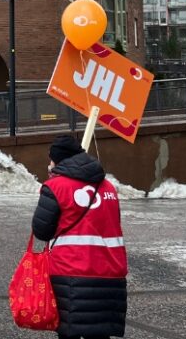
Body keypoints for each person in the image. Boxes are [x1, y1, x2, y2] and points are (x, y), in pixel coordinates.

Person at [32, 136, 128, 339]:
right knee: (100, 332)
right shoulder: (109, 188)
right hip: (110, 270)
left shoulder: (56, 186)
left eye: (50, 159)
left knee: (69, 333)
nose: (48, 164)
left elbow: (42, 231)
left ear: (58, 160)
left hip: (70, 270)